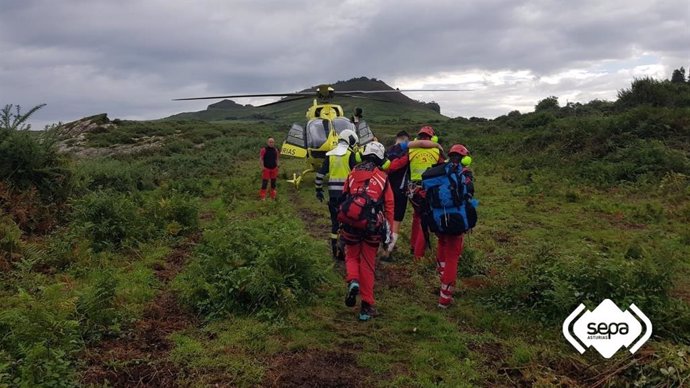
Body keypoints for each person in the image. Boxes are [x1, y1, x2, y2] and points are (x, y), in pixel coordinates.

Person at [339, 141, 394, 321]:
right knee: (368, 265)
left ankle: (353, 281)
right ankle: (366, 308)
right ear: (381, 159)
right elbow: (389, 206)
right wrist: (389, 232)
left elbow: (344, 196)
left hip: (351, 224)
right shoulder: (383, 177)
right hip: (372, 227)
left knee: (352, 256)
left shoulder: (352, 174)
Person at [387, 126, 444, 259]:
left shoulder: (411, 150)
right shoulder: (436, 151)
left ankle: (414, 246)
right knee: (425, 218)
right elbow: (444, 167)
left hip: (413, 190)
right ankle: (418, 252)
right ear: (432, 137)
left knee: (417, 216)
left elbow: (396, 165)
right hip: (430, 190)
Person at [428, 144, 475, 308]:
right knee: (453, 257)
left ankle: (441, 274)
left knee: (442, 243)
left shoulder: (439, 170)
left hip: (438, 218)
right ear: (464, 158)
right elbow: (469, 194)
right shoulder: (464, 173)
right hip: (456, 219)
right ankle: (445, 299)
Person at [315, 129, 359, 260]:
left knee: (334, 223)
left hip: (333, 195)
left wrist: (318, 189)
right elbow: (356, 175)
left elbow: (320, 174)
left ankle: (334, 250)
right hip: (347, 195)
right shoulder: (351, 154)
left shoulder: (330, 154)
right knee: (347, 223)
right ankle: (345, 250)